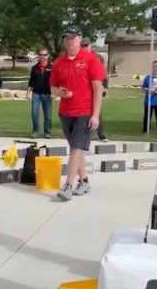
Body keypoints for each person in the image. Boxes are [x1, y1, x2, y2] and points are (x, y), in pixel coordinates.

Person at [49, 26, 106, 201]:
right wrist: (61, 92)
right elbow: (53, 88)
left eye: (72, 38)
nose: (69, 41)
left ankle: (68, 185)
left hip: (84, 111)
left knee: (75, 149)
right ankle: (85, 181)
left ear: (80, 39)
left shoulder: (91, 60)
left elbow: (98, 88)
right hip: (66, 112)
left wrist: (95, 115)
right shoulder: (59, 62)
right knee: (78, 150)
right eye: (66, 38)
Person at [27, 48, 53, 138]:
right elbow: (31, 81)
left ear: (48, 55)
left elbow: (54, 81)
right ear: (38, 56)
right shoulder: (34, 68)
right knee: (34, 113)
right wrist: (28, 92)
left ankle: (47, 132)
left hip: (47, 94)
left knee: (47, 115)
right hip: (36, 94)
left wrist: (54, 92)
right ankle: (35, 131)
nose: (43, 56)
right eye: (41, 55)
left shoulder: (51, 67)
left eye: (44, 55)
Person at [142, 61, 157, 135]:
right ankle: (145, 130)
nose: (155, 68)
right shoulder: (148, 78)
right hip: (148, 101)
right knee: (147, 117)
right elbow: (144, 87)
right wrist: (149, 89)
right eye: (154, 66)